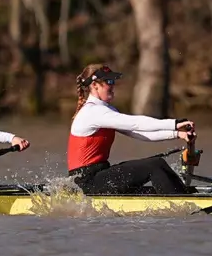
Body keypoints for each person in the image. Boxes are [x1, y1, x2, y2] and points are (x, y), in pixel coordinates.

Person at [68, 64, 194, 194]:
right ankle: (184, 201)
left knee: (156, 179)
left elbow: (138, 133)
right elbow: (136, 123)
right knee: (155, 165)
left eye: (114, 81)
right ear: (95, 85)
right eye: (109, 81)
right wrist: (174, 123)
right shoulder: (92, 112)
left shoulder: (106, 111)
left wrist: (177, 134)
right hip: (86, 182)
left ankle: (183, 195)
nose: (113, 86)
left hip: (101, 175)